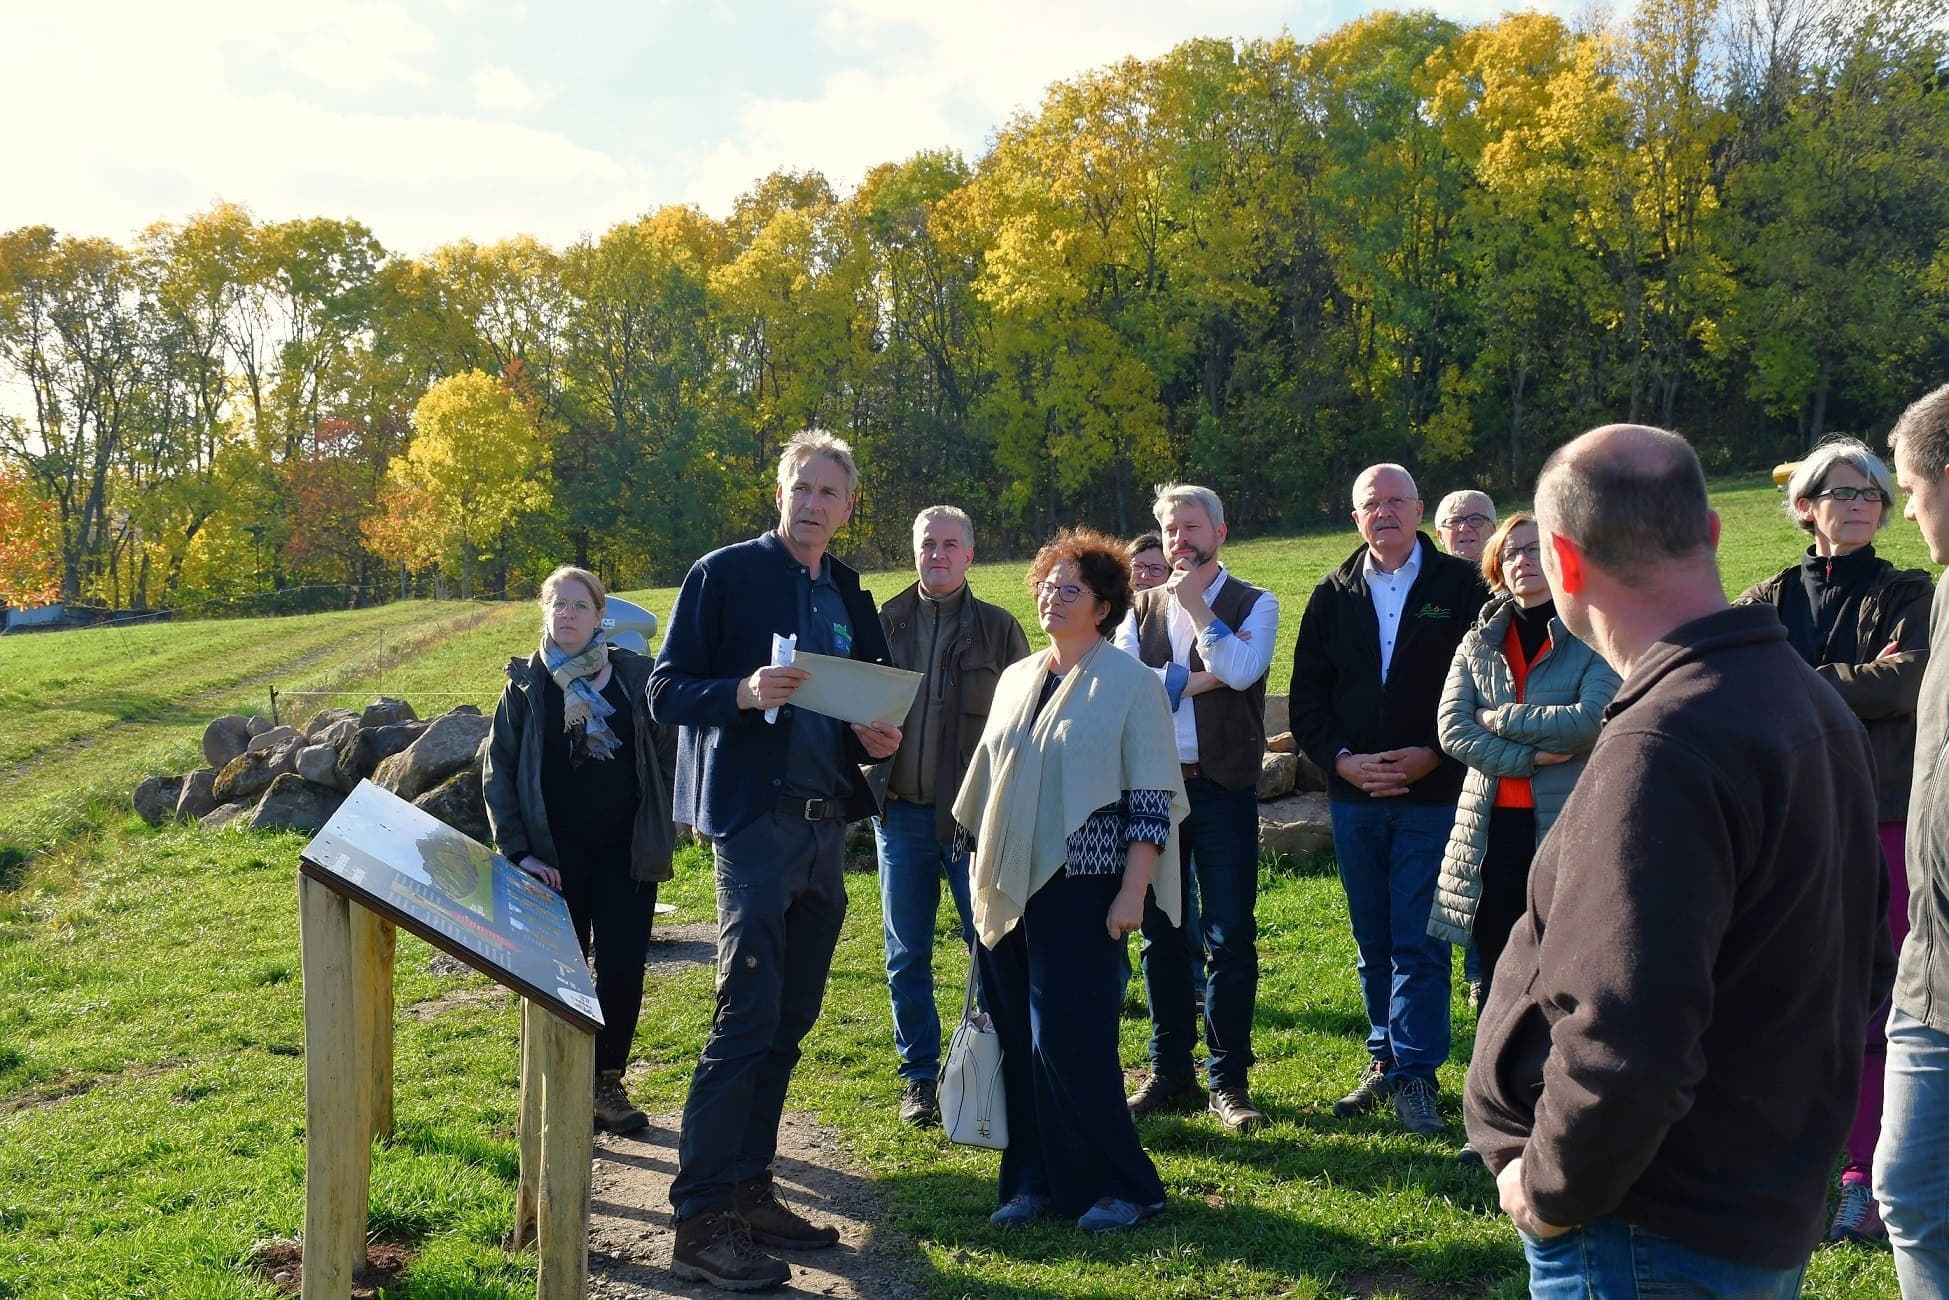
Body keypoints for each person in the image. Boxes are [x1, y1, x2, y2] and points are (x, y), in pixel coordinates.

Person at [1464, 424, 1892, 1298]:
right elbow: (1863, 957)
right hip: (1748, 1198)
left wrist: (1550, 1191)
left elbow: (1626, 1036)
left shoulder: (1667, 740)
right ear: (1712, 531)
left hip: (1648, 1228)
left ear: (1563, 562)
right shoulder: (1797, 695)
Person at [649, 430, 903, 1292]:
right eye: (802, 487)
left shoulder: (847, 593)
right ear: (780, 492)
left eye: (830, 492)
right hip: (754, 828)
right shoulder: (723, 574)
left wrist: (878, 737)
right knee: (744, 1018)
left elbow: (867, 710)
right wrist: (742, 692)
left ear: (847, 507)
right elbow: (664, 688)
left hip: (827, 829)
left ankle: (752, 1190)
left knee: (791, 1020)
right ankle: (699, 1221)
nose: (813, 503)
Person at [952, 527, 1188, 1231]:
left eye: (1070, 589)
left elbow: (1150, 799)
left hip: (1086, 889)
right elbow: (985, 783)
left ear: (1104, 605)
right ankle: (1031, 1180)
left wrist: (1131, 891)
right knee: (1020, 1043)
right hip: (1003, 886)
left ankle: (1124, 1185)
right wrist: (971, 871)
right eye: (1047, 585)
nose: (1052, 597)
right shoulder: (1018, 676)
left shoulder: (1130, 684)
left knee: (1070, 1041)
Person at [1734, 436, 1930, 1245]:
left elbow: (1903, 681)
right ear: (1804, 506)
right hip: (1784, 817)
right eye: (1839, 493)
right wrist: (1848, 680)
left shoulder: (1905, 590)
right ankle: (1788, 1155)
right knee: (1786, 988)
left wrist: (1796, 680)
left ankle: (1864, 1178)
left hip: (1878, 810)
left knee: (1878, 996)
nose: (1857, 506)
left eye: (1871, 495)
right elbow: (1730, 678)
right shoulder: (1763, 595)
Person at [1290, 463, 1485, 1135]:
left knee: (1420, 939)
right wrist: (1342, 762)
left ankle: (1416, 1076)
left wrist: (1435, 751)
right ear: (1355, 518)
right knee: (1372, 936)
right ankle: (1385, 1055)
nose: (1385, 512)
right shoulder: (1331, 594)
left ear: (1419, 510)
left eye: (1397, 501)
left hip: (1433, 792)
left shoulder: (1461, 587)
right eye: (1371, 504)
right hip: (1354, 798)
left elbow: (1483, 686)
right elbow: (1308, 697)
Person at [483, 565, 678, 1135]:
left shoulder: (635, 677)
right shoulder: (526, 687)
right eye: (557, 605)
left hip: (626, 856)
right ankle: (553, 1088)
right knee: (556, 977)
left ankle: (604, 1083)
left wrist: (662, 821)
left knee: (621, 971)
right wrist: (519, 854)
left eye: (579, 605)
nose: (567, 615)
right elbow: (499, 775)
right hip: (552, 863)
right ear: (544, 613)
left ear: (600, 617)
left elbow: (670, 752)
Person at [1114, 485, 1281, 1133]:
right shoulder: (1136, 610)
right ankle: (1169, 1070)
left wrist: (1199, 614)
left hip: (1223, 790)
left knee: (1229, 935)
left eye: (1189, 526)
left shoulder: (1255, 602)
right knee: (1160, 935)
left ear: (1220, 530)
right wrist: (1195, 678)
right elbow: (1125, 685)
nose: (1178, 537)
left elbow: (1243, 670)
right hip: (1155, 787)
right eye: (1167, 526)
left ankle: (1228, 1081)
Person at [872, 505, 1030, 1127]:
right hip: (901, 817)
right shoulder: (883, 622)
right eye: (926, 545)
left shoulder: (999, 630)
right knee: (906, 952)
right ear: (914, 552)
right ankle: (918, 1076)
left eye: (949, 545)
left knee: (987, 942)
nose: (937, 555)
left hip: (973, 820)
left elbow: (1026, 726)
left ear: (970, 554)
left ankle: (996, 1066)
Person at [1427, 512, 1619, 1009]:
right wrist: (1532, 756)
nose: (1522, 561)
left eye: (1534, 549)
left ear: (1560, 559)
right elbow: (1451, 730)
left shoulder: (1591, 634)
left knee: (1565, 959)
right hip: (1489, 828)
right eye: (1510, 553)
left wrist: (1499, 718)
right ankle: (1497, 1077)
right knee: (1497, 963)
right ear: (1495, 567)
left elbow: (1588, 721)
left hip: (1564, 820)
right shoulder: (1478, 642)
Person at [1882, 383, 1949, 1296]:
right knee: (1909, 1191)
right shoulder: (1943, 599)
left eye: (1906, 486)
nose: (1904, 507)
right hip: (1927, 965)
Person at [1432, 488, 1497, 1008]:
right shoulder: (1426, 590)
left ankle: (1483, 972)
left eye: (1478, 519)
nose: (1467, 528)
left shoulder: (1516, 592)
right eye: (1455, 521)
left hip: (1494, 753)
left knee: (1488, 862)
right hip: (1436, 752)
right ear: (1438, 534)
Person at [1434, 490, 1496, 565]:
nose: (1464, 528)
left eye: (1475, 519)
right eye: (1454, 522)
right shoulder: (1426, 575)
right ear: (1440, 536)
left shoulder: (1509, 573)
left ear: (1493, 531)